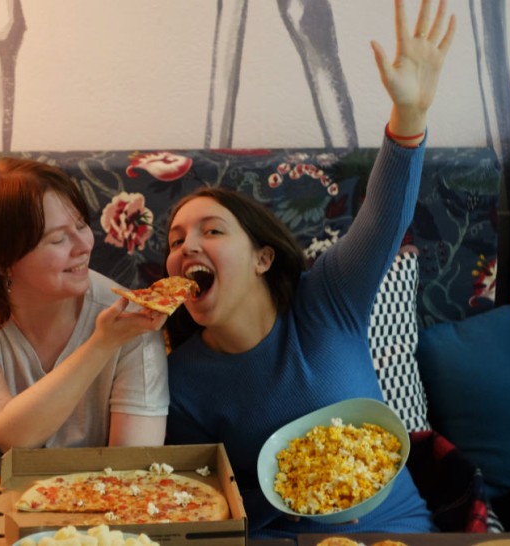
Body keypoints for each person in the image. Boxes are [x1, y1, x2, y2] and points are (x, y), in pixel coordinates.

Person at [162, 0, 456, 538]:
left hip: (396, 529)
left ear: (262, 256)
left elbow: (383, 219)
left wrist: (408, 117)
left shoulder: (328, 300)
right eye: (176, 239)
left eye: (212, 230)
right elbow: (201, 506)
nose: (187, 247)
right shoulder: (179, 382)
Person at [0, 157, 169, 473]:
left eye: (80, 226)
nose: (83, 246)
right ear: (1, 260)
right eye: (58, 239)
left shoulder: (131, 321)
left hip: (99, 509)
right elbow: (9, 439)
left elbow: (133, 465)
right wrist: (102, 344)